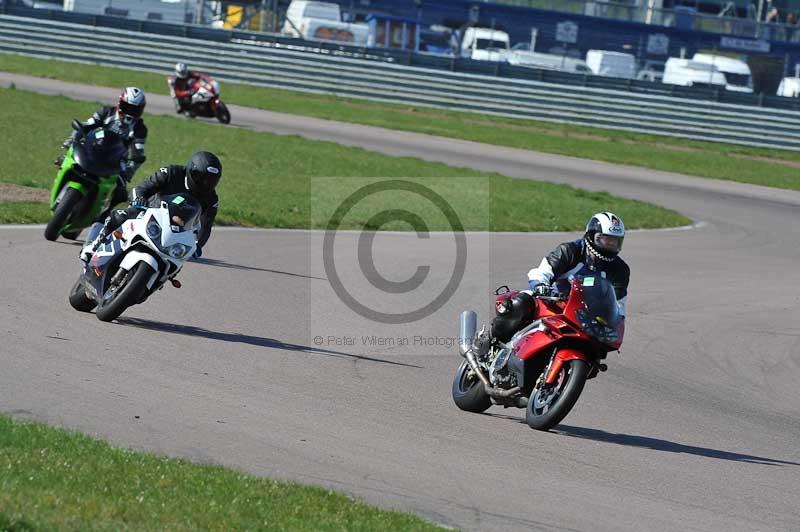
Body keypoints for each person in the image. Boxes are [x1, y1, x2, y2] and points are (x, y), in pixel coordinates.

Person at [489, 212, 630, 344]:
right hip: (552, 302)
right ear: (592, 236)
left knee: (601, 344)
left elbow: (619, 304)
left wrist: (614, 321)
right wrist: (541, 285)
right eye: (606, 240)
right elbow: (542, 272)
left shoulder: (620, 270)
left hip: (586, 315)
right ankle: (491, 342)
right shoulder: (570, 251)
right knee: (518, 304)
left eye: (615, 241)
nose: (611, 245)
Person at [81, 151, 222, 262]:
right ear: (191, 171)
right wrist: (139, 200)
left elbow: (206, 226)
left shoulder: (211, 199)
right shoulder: (172, 173)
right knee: (120, 216)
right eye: (201, 179)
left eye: (211, 181)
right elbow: (140, 188)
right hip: (149, 214)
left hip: (177, 233)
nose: (205, 184)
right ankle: (94, 246)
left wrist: (198, 245)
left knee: (179, 261)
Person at [60, 87, 148, 221]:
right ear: (120, 104)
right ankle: (64, 166)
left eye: (135, 110)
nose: (130, 112)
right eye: (127, 107)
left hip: (115, 160)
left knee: (120, 194)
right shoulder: (106, 112)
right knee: (70, 157)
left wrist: (127, 174)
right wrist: (72, 139)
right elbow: (87, 124)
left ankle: (102, 220)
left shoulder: (140, 129)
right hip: (92, 149)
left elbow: (138, 152)